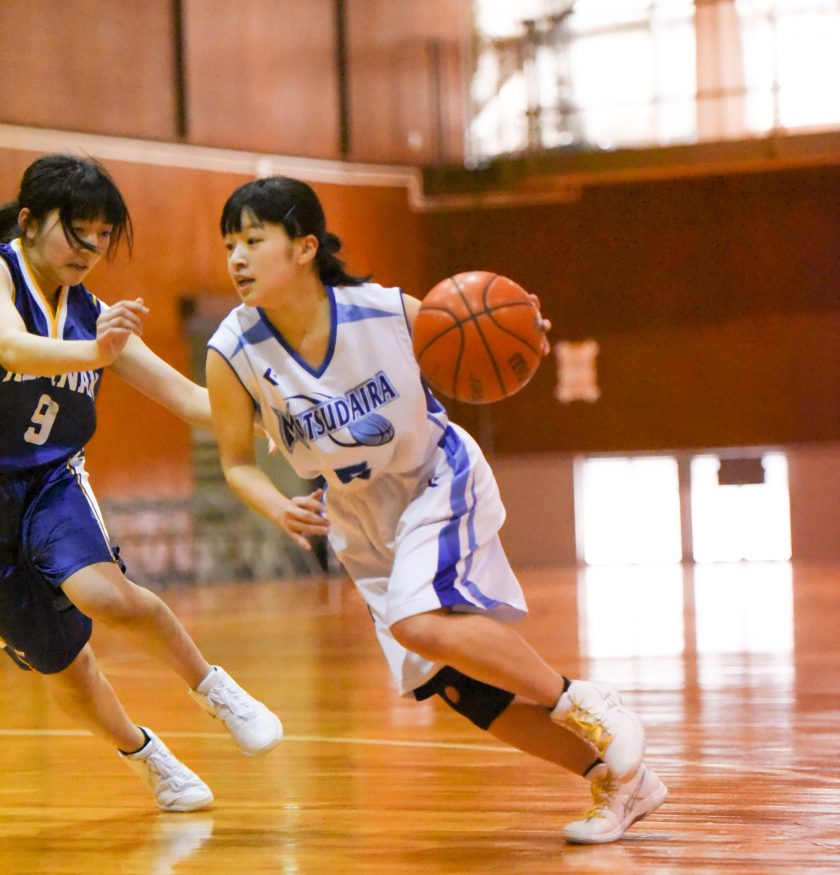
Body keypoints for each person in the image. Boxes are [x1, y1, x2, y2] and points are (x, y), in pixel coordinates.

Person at [205, 175, 667, 844]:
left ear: (304, 247)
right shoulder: (234, 350)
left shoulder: (384, 311)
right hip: (359, 521)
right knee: (460, 688)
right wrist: (279, 506)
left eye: (252, 239)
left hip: (433, 477)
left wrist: (521, 325)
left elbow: (486, 325)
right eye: (228, 245)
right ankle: (620, 782)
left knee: (419, 621)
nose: (237, 259)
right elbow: (235, 463)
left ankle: (584, 700)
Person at [0, 154, 283, 813]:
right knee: (65, 669)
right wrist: (95, 353)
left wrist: (268, 413)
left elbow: (186, 397)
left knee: (110, 595)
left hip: (48, 481)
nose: (92, 249)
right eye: (77, 231)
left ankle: (215, 688)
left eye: (101, 235)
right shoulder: (4, 277)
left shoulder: (91, 313)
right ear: (28, 221)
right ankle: (148, 755)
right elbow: (10, 348)